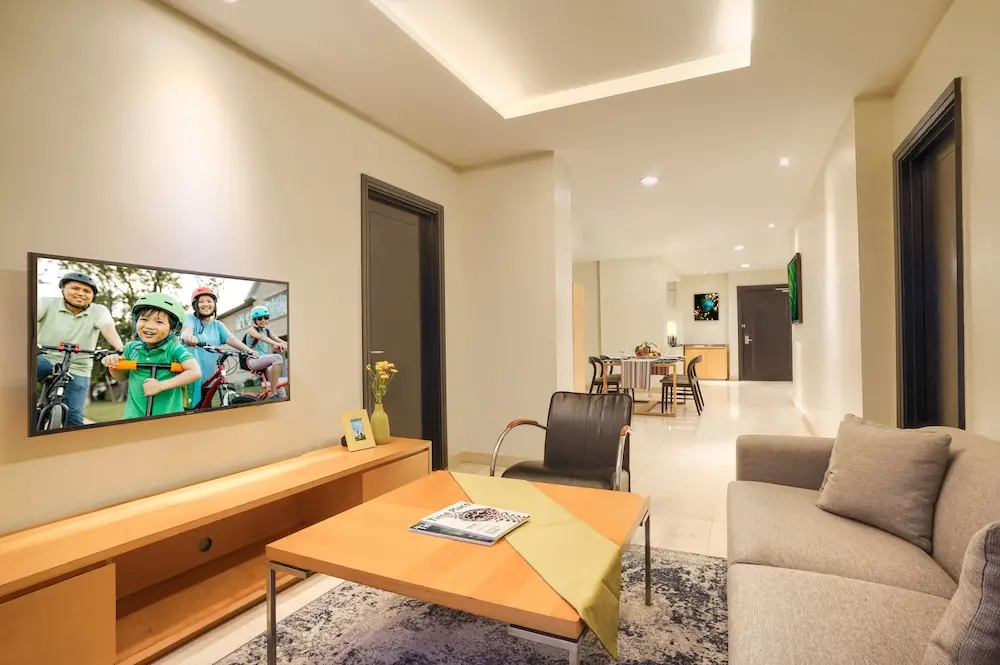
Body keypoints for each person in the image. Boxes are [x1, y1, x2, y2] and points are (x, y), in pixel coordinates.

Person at [36, 271, 125, 427]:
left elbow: (108, 329)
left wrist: (120, 348)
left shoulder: (99, 311)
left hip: (78, 367)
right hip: (44, 358)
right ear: (63, 289)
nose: (81, 293)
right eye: (75, 288)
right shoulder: (46, 302)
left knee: (74, 418)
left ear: (93, 296)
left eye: (87, 291)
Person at [102, 293, 200, 419]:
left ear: (173, 329)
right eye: (144, 319)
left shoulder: (174, 349)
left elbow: (195, 372)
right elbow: (122, 377)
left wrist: (161, 386)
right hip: (133, 417)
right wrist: (113, 365)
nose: (149, 326)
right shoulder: (131, 348)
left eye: (159, 322)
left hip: (167, 418)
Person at [179, 286, 266, 407]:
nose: (206, 304)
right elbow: (186, 329)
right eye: (201, 301)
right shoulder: (191, 319)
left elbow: (232, 339)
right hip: (190, 377)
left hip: (208, 378)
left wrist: (249, 351)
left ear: (214, 304)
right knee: (189, 410)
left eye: (209, 301)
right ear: (195, 305)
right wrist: (188, 336)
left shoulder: (218, 325)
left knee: (206, 408)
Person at [242, 306, 288, 398]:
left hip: (264, 362)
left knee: (282, 392)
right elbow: (262, 337)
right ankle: (273, 393)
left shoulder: (267, 331)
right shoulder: (251, 330)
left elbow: (280, 340)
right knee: (277, 357)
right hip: (253, 361)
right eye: (260, 318)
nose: (263, 320)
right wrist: (277, 344)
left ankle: (276, 393)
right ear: (255, 320)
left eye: (266, 318)